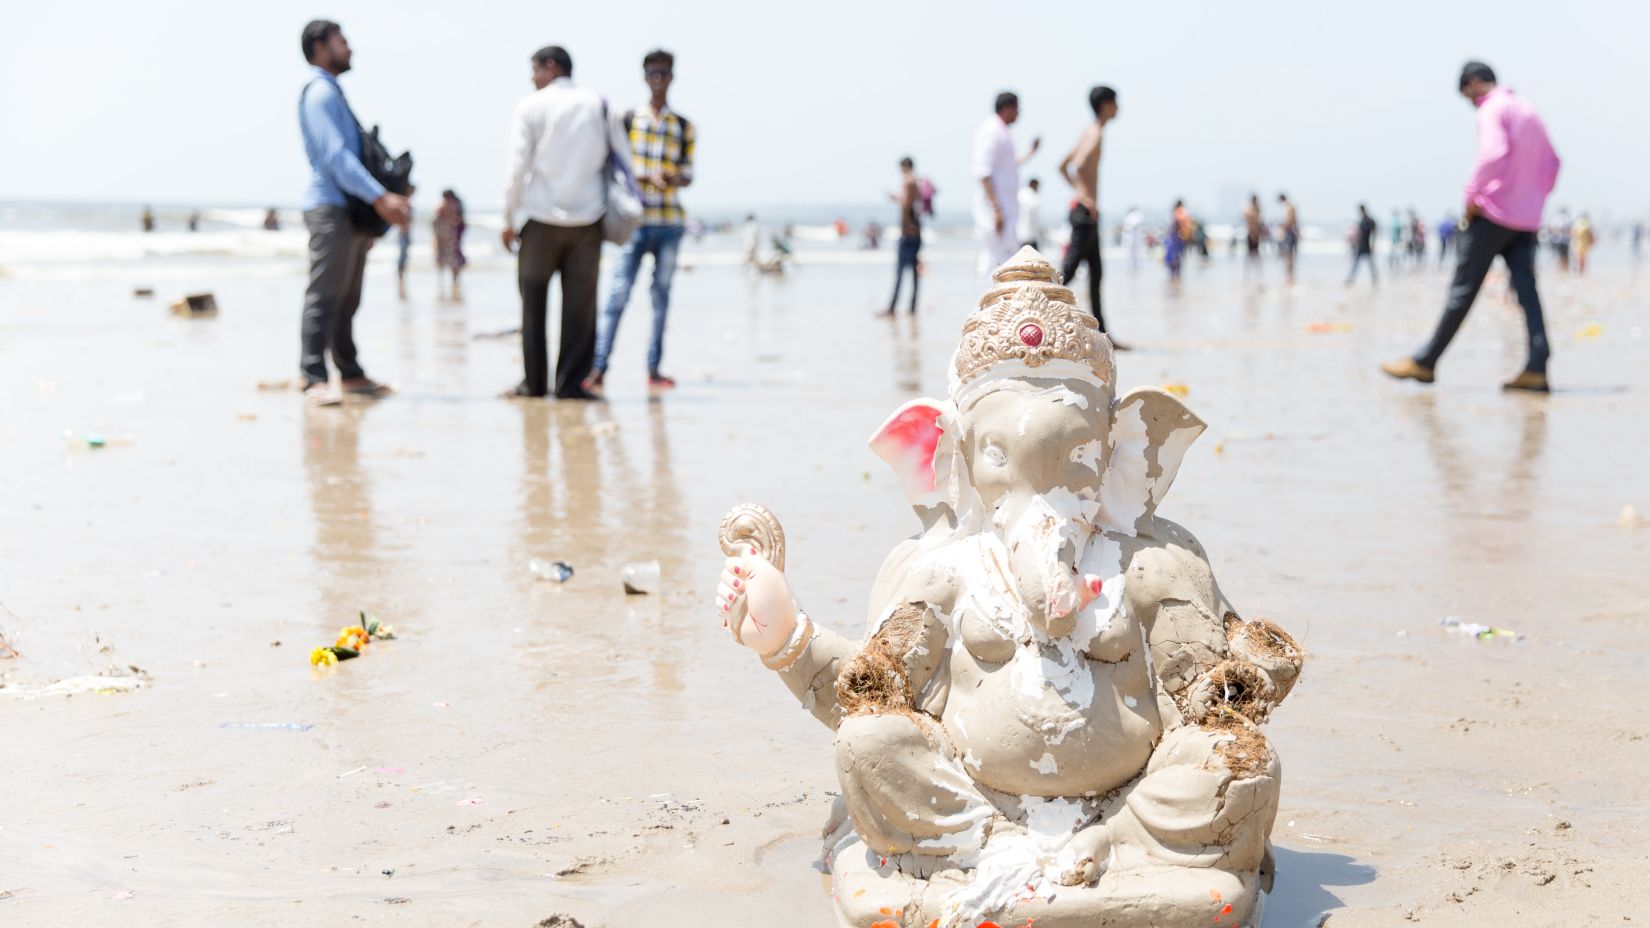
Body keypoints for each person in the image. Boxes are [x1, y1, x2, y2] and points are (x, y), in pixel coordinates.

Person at [1382, 62, 1560, 392]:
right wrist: (1532, 198)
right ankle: (1538, 364)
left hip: (1492, 215)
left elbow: (1493, 154)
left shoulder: (1492, 107)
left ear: (1475, 83)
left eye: (1468, 97)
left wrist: (1472, 197)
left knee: (1462, 290)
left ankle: (1425, 361)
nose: (1471, 104)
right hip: (1526, 220)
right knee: (1527, 292)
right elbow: (1553, 164)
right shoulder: (1527, 109)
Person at [502, 45, 628, 400]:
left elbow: (516, 168)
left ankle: (533, 384)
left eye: (534, 70)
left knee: (532, 306)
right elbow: (623, 164)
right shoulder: (601, 105)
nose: (531, 79)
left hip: (540, 220)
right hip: (587, 223)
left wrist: (507, 218)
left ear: (550, 67)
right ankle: (571, 385)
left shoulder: (531, 106)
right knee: (579, 310)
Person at [297, 20, 409, 406]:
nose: (350, 48)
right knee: (325, 295)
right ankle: (312, 376)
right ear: (319, 46)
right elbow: (335, 157)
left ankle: (350, 373)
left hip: (349, 208)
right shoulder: (318, 94)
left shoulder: (334, 92)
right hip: (330, 206)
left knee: (348, 297)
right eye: (342, 42)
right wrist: (381, 197)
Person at [590, 49, 696, 393]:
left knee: (661, 300)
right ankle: (599, 368)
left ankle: (654, 368)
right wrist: (646, 177)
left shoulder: (683, 126)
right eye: (653, 73)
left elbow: (689, 173)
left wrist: (672, 177)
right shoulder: (628, 119)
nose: (659, 79)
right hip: (634, 223)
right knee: (617, 296)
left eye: (664, 73)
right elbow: (614, 166)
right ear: (645, 76)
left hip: (669, 222)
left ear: (672, 76)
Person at [1057, 85, 1120, 339]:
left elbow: (1063, 166)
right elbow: (1079, 164)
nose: (1118, 108)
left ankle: (1103, 336)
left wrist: (1080, 194)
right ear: (1105, 105)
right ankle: (1034, 306)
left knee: (1096, 276)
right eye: (1115, 102)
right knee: (1069, 271)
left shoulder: (1088, 132)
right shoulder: (1095, 133)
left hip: (1084, 211)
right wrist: (1086, 198)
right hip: (1085, 212)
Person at [973, 91, 1039, 278]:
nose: (1019, 114)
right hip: (995, 209)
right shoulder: (992, 130)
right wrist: (996, 209)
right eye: (1017, 109)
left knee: (1006, 257)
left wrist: (1031, 153)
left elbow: (1008, 167)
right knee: (994, 259)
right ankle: (988, 304)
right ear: (1008, 108)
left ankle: (999, 303)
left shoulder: (1002, 131)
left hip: (1005, 209)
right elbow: (983, 172)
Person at [883, 156, 923, 316]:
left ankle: (892, 306)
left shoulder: (907, 181)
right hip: (917, 230)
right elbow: (911, 203)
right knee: (914, 271)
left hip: (909, 232)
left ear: (904, 167)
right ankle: (912, 306)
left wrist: (905, 227)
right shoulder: (917, 181)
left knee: (899, 271)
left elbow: (906, 206)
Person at [433, 189, 466, 299]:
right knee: (446, 259)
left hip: (450, 237)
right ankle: (449, 282)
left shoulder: (453, 204)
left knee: (453, 260)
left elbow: (458, 221)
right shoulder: (449, 204)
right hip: (445, 237)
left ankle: (453, 281)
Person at [1346, 204, 1378, 286]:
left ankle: (1375, 279)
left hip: (1368, 246)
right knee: (1355, 264)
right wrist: (1354, 244)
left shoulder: (1371, 221)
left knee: (1371, 264)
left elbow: (1374, 233)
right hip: (1361, 246)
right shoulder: (1361, 221)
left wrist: (1373, 244)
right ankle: (1350, 279)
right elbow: (1359, 234)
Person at [395, 184, 416, 298]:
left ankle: (402, 277)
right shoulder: (404, 202)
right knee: (402, 257)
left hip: (406, 233)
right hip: (403, 234)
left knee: (405, 256)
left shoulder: (407, 203)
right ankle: (400, 277)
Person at [1276, 192, 1299, 285]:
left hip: (1289, 232)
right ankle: (1290, 277)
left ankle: (1290, 278)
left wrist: (1282, 228)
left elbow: (1290, 220)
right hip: (1292, 231)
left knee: (1288, 256)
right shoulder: (1290, 205)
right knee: (1289, 256)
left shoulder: (1289, 206)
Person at [1242, 193, 1264, 278]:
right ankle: (1247, 275)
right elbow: (1245, 216)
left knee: (1256, 255)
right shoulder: (1250, 209)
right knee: (1249, 255)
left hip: (1256, 234)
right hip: (1251, 233)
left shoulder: (1257, 209)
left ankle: (1257, 275)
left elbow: (1258, 221)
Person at [1017, 178, 1042, 250]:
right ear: (1034, 185)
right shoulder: (1033, 198)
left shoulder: (1020, 195)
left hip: (1018, 236)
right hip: (1030, 237)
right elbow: (1034, 219)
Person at [1122, 206, 1144, 271]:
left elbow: (1133, 225)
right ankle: (1132, 267)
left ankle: (1134, 267)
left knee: (1133, 253)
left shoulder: (1134, 216)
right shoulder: (1130, 217)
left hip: (1133, 238)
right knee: (1131, 253)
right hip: (1130, 238)